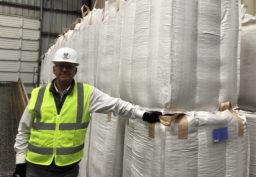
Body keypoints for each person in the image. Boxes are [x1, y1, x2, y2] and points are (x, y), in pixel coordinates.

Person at [13, 47, 162, 177]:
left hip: (67, 169)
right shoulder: (39, 94)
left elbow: (115, 104)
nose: (64, 69)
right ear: (54, 69)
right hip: (36, 166)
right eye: (61, 65)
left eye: (69, 66)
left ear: (75, 71)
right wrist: (20, 163)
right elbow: (23, 130)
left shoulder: (86, 94)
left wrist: (142, 114)